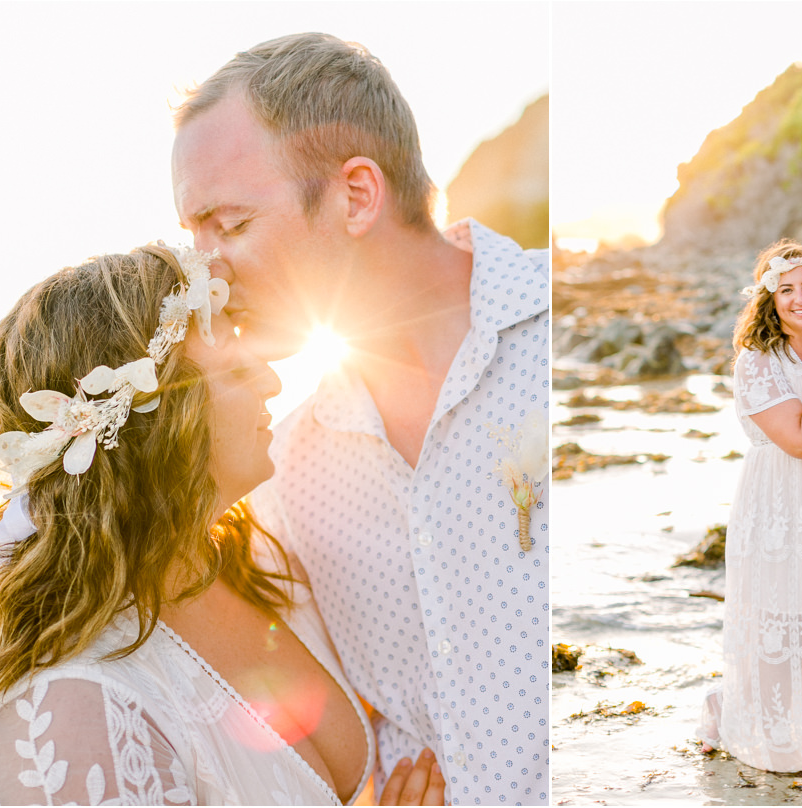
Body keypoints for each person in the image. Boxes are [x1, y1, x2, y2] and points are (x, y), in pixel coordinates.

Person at [170, 34, 549, 805]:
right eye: (193, 235)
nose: (204, 271)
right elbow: (316, 734)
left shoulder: (560, 336)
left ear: (356, 196)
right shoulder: (284, 470)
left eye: (230, 225)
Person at [0, 245, 445, 805]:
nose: (272, 381)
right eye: (234, 365)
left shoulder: (251, 558)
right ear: (160, 416)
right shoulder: (73, 708)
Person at [697, 239, 802, 772]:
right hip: (775, 498)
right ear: (770, 299)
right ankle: (739, 714)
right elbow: (796, 438)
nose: (800, 298)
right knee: (777, 617)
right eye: (786, 289)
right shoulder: (757, 360)